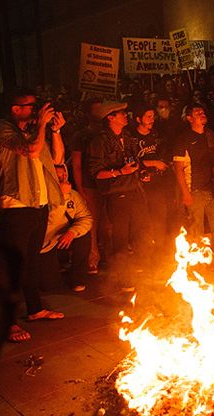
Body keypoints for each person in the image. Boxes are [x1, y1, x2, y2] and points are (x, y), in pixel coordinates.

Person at [0, 88, 66, 342]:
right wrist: (41, 124)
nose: (35, 111)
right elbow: (31, 151)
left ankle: (35, 309)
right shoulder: (0, 129)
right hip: (16, 206)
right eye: (31, 107)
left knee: (31, 262)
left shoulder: (34, 132)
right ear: (15, 109)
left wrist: (54, 130)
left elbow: (56, 157)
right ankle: (7, 323)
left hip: (38, 205)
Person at [88, 101, 152, 291]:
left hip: (134, 190)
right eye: (121, 113)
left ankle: (143, 273)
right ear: (110, 118)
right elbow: (96, 172)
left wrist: (141, 172)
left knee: (142, 233)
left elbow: (135, 162)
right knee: (121, 238)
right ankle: (124, 278)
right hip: (117, 194)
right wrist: (119, 172)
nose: (126, 116)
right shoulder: (99, 141)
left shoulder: (127, 136)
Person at [172, 104, 214, 266]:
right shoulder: (184, 139)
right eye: (197, 112)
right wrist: (185, 193)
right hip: (195, 189)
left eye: (203, 111)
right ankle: (196, 262)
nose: (202, 114)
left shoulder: (210, 135)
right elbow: (178, 169)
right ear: (189, 118)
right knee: (195, 227)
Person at [39, 164, 93, 292]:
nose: (62, 178)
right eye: (57, 175)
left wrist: (72, 232)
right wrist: (61, 195)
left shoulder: (73, 195)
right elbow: (51, 221)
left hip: (65, 237)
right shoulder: (41, 196)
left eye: (63, 174)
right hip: (45, 242)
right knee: (49, 286)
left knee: (84, 237)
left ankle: (77, 279)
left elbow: (86, 218)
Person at [130, 104, 172, 250]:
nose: (151, 119)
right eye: (148, 116)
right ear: (138, 119)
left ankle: (160, 250)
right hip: (137, 186)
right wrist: (150, 163)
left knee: (160, 217)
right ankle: (142, 251)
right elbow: (129, 160)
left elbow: (166, 158)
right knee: (142, 220)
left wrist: (159, 166)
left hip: (158, 185)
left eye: (153, 116)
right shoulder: (130, 138)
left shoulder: (157, 135)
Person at [70, 98, 103, 274]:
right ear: (89, 114)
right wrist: (80, 188)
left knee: (108, 223)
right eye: (97, 110)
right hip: (90, 185)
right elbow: (76, 164)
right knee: (93, 222)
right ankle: (92, 255)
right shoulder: (81, 136)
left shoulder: (106, 133)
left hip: (107, 184)